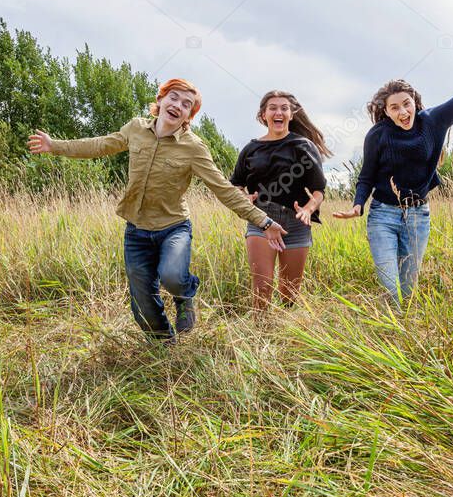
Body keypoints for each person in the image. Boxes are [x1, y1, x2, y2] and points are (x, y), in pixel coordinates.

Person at [27, 78, 287, 342]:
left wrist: (263, 222)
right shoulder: (136, 129)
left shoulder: (193, 147)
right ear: (161, 100)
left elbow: (223, 188)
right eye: (173, 98)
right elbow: (99, 145)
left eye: (186, 104)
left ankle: (185, 295)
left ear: (189, 115)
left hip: (173, 228)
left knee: (172, 276)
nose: (178, 105)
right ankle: (165, 342)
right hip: (137, 231)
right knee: (142, 305)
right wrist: (55, 145)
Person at [334, 33, 453, 309]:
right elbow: (366, 176)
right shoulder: (377, 135)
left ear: (415, 102)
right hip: (383, 216)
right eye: (394, 108)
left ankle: (404, 336)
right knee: (391, 288)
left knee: (408, 293)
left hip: (418, 216)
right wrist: (358, 205)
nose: (402, 112)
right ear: (386, 112)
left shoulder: (434, 121)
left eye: (406, 104)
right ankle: (390, 338)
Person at [230, 91, 332, 313]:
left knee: (289, 294)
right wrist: (243, 198)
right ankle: (261, 336)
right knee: (262, 289)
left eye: (284, 108)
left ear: (292, 114)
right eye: (273, 108)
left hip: (295, 223)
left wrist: (308, 209)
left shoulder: (303, 146)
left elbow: (318, 190)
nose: (279, 112)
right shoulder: (250, 149)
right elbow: (236, 185)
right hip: (261, 220)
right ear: (263, 115)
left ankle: (284, 336)